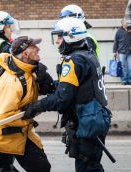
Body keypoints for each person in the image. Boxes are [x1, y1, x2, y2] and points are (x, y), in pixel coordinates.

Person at [22, 18, 111, 172]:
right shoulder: (88, 54)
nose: (57, 42)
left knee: (87, 168)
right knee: (92, 166)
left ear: (71, 36)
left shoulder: (73, 61)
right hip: (96, 119)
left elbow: (63, 99)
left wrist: (38, 106)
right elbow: (79, 86)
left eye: (60, 37)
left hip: (87, 122)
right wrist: (53, 84)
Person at [0, 36, 53, 172]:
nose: (38, 49)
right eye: (34, 47)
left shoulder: (27, 72)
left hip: (21, 135)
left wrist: (46, 82)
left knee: (42, 168)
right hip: (1, 139)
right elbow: (3, 117)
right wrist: (29, 114)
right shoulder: (11, 82)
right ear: (25, 54)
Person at [113, 18, 131, 85]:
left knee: (130, 67)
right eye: (125, 22)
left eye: (127, 22)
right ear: (122, 23)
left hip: (129, 52)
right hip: (121, 52)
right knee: (123, 67)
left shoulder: (130, 29)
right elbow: (116, 42)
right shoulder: (119, 31)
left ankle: (129, 80)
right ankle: (123, 80)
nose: (126, 23)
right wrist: (115, 52)